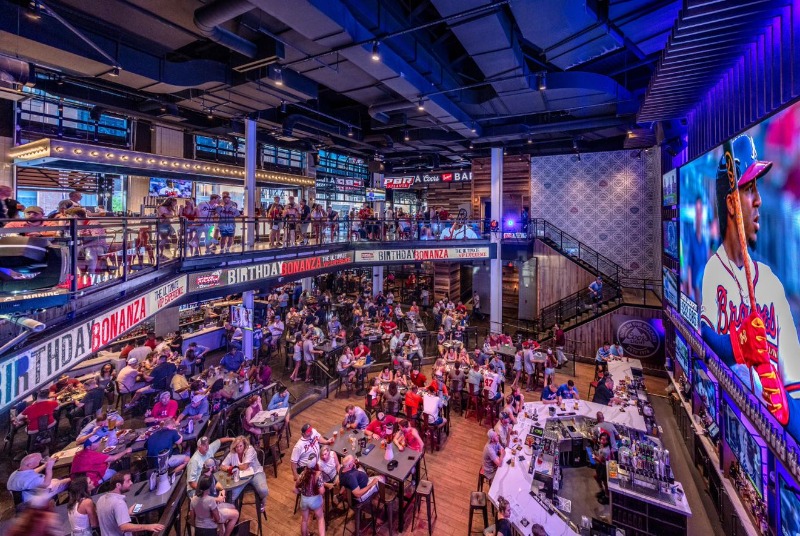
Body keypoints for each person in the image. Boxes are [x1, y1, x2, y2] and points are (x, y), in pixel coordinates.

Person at [697, 134, 800, 428]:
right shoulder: (713, 272)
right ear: (731, 203)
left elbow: (795, 394)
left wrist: (789, 413)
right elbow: (703, 339)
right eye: (749, 190)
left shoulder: (771, 285)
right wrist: (737, 345)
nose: (758, 201)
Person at [96, 472, 164, 536]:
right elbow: (124, 527)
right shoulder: (119, 503)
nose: (131, 483)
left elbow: (110, 518)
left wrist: (126, 513)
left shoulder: (101, 499)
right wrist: (148, 526)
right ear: (118, 485)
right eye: (128, 481)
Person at [221, 436, 269, 502]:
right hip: (240, 477)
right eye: (236, 447)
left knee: (264, 491)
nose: (238, 448)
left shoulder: (250, 449)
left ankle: (263, 502)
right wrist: (229, 469)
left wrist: (232, 468)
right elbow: (222, 466)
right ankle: (234, 510)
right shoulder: (232, 453)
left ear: (244, 444)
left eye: (240, 446)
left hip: (255, 473)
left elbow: (245, 467)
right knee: (231, 497)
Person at [295, 465, 326, 536]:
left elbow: (296, 485)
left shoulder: (303, 473)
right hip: (315, 500)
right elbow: (322, 491)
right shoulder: (318, 475)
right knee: (320, 519)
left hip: (304, 500)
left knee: (304, 520)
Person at [593, 432, 612, 503]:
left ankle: (607, 497)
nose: (601, 441)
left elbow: (601, 460)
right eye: (601, 439)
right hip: (600, 466)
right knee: (596, 477)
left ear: (607, 441)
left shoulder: (605, 451)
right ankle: (602, 491)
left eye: (604, 440)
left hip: (604, 467)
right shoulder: (603, 446)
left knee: (605, 482)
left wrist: (594, 457)